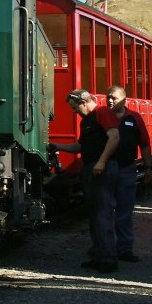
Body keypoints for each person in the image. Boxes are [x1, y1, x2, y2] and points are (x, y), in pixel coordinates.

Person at [48, 89, 120, 273]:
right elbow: (81, 146)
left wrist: (102, 161)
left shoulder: (102, 113)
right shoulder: (87, 120)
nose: (74, 112)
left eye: (75, 107)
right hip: (91, 168)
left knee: (102, 213)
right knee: (94, 214)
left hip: (102, 169)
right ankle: (98, 255)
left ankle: (108, 259)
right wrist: (59, 146)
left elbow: (114, 137)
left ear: (83, 102)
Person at [106, 85, 152, 263]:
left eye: (114, 98)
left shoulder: (134, 118)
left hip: (127, 169)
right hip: (107, 169)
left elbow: (145, 144)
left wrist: (148, 167)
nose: (110, 100)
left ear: (124, 99)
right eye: (108, 97)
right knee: (105, 210)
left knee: (124, 211)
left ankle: (124, 249)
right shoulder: (102, 116)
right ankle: (106, 248)